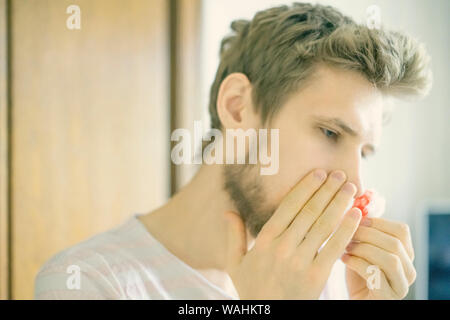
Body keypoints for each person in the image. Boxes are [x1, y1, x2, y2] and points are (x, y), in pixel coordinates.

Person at [34, 2, 432, 299]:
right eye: (330, 133)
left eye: (364, 152)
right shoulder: (87, 281)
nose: (355, 182)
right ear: (238, 106)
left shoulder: (330, 281)